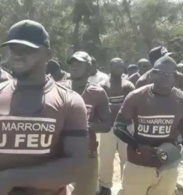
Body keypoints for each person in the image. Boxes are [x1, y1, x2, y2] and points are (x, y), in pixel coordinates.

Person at [0, 19, 89, 195]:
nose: (17, 55)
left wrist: (10, 179)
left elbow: (76, 165)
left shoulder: (69, 101)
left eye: (27, 49)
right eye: (13, 49)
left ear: (48, 54)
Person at [114, 55, 183, 195]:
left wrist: (178, 148)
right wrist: (137, 145)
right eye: (160, 72)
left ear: (175, 76)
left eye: (169, 73)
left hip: (167, 165)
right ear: (152, 74)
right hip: (138, 163)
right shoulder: (136, 96)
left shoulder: (180, 98)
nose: (165, 76)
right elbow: (119, 127)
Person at [65, 51, 111, 195]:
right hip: (59, 153)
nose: (74, 67)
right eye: (72, 63)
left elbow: (107, 124)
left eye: (79, 64)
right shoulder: (58, 88)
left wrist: (83, 126)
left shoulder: (97, 93)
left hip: (87, 153)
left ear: (89, 68)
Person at [98, 58, 135, 195]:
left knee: (126, 157)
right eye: (116, 66)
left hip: (126, 126)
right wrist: (118, 107)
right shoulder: (103, 85)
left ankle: (127, 185)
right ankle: (105, 185)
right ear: (110, 67)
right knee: (106, 157)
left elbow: (130, 108)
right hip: (108, 128)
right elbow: (101, 108)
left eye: (121, 65)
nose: (119, 68)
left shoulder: (128, 85)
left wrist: (112, 107)